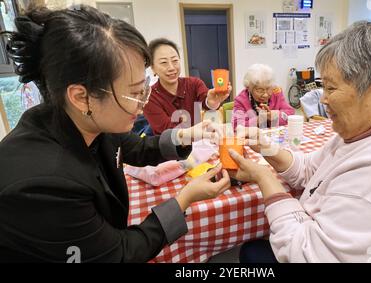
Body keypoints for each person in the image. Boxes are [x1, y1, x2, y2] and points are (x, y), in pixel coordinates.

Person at [0, 5, 230, 262]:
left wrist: (187, 134)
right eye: (134, 93)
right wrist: (184, 199)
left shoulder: (88, 121)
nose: (142, 104)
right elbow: (118, 254)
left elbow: (138, 148)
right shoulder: (44, 185)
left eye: (144, 90)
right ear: (81, 97)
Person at [230, 21, 371, 262]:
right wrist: (265, 146)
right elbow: (309, 169)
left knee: (252, 253)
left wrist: (264, 177)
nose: (323, 100)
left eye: (331, 88)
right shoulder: (366, 131)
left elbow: (304, 254)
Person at [143, 38, 232, 135]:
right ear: (153, 67)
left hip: (196, 145)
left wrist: (212, 102)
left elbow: (205, 101)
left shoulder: (193, 84)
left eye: (175, 60)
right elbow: (166, 130)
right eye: (164, 62)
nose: (172, 67)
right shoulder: (149, 96)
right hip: (168, 148)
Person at [232, 64, 295, 129]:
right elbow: (236, 126)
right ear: (249, 88)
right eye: (260, 90)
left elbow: (290, 114)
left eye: (268, 89)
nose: (265, 94)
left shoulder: (276, 93)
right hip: (253, 138)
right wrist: (259, 120)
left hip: (275, 137)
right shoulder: (241, 100)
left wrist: (274, 115)